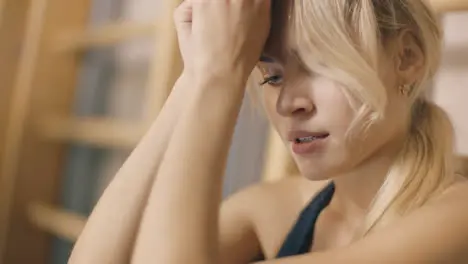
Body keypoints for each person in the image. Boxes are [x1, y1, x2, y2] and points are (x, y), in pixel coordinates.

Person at [68, 0, 468, 263]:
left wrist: (218, 80)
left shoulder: (455, 220)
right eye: (272, 76)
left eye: (319, 63)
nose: (287, 103)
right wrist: (196, 77)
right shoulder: (274, 207)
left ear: (407, 57)